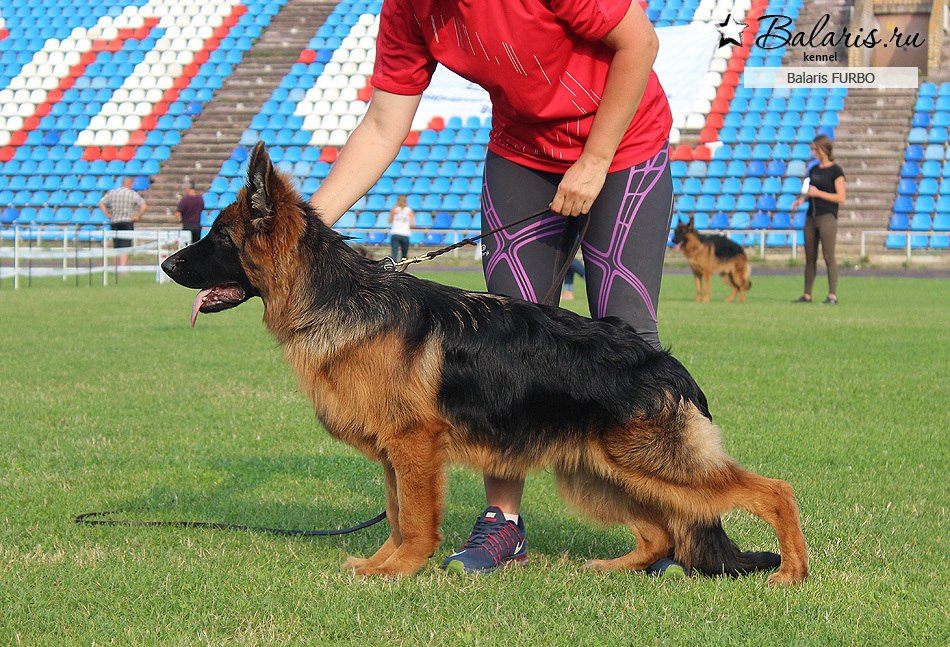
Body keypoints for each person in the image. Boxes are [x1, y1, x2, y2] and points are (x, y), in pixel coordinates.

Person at [310, 0, 675, 574]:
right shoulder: (406, 10)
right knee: (503, 342)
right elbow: (382, 125)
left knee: (626, 330)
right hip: (523, 155)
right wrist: (306, 228)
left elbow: (640, 45)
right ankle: (504, 525)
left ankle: (668, 525)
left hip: (623, 143)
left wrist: (595, 159)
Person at [790, 134, 846, 305]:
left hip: (827, 217)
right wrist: (802, 199)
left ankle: (832, 295)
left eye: (815, 149)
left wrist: (818, 193)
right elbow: (811, 191)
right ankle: (807, 294)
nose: (813, 152)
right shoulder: (814, 170)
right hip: (811, 217)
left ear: (823, 150)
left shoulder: (836, 171)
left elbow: (840, 197)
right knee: (810, 257)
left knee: (829, 257)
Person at [98, 176, 146, 268]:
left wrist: (107, 214)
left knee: (116, 244)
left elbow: (101, 203)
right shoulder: (132, 194)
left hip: (115, 221)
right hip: (127, 221)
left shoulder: (112, 192)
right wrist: (137, 216)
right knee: (125, 245)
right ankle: (122, 267)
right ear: (130, 184)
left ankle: (116, 266)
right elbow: (143, 206)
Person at [176, 179, 205, 244]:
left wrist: (179, 219)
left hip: (187, 225)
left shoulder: (185, 200)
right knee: (195, 246)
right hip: (197, 225)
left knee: (186, 246)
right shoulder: (200, 199)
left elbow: (178, 213)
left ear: (188, 189)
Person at [388, 194, 414, 261]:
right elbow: (413, 224)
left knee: (394, 254)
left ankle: (394, 268)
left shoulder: (394, 210)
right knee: (404, 254)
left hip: (395, 232)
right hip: (405, 233)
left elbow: (389, 220)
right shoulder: (409, 210)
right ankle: (404, 268)